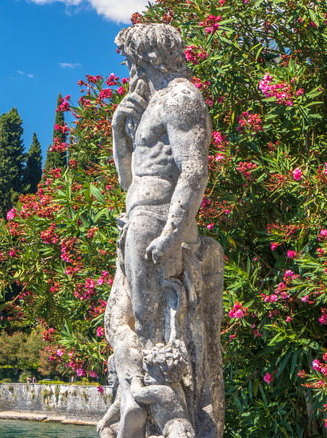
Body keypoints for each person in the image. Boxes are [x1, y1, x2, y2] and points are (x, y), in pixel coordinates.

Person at [104, 23, 212, 438]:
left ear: (146, 58)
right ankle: (133, 395)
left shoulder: (181, 97)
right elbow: (127, 181)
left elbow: (194, 169)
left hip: (155, 221)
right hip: (135, 219)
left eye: (130, 61)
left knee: (153, 328)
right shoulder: (155, 101)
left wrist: (172, 231)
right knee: (117, 319)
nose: (128, 70)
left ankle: (169, 420)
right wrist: (119, 131)